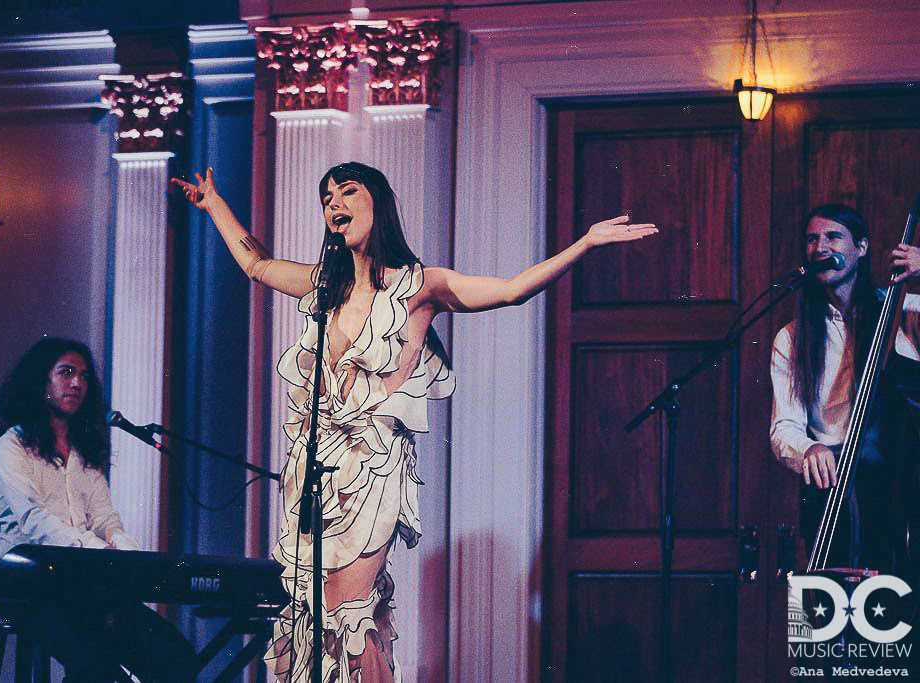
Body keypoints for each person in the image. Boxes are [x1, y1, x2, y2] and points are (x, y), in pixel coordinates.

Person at [173, 161, 657, 682]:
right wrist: (214, 205)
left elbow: (512, 290)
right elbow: (257, 265)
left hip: (374, 469)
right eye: (327, 197)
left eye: (348, 192)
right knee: (313, 611)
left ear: (376, 201)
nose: (334, 203)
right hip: (316, 468)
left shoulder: (422, 287)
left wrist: (583, 244)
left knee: (348, 608)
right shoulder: (325, 289)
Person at [0, 337, 197, 682]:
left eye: (84, 377)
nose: (77, 383)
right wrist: (99, 549)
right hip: (28, 587)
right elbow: (33, 519)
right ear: (42, 381)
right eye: (66, 373)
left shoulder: (84, 452)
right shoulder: (12, 446)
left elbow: (105, 520)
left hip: (84, 585)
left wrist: (129, 555)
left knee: (175, 658)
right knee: (94, 667)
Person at [770, 203, 920, 570]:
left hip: (899, 484)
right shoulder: (792, 338)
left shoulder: (905, 311)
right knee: (819, 612)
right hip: (832, 488)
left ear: (862, 248)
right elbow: (784, 426)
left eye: (833, 236)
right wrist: (808, 448)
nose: (820, 247)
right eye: (812, 239)